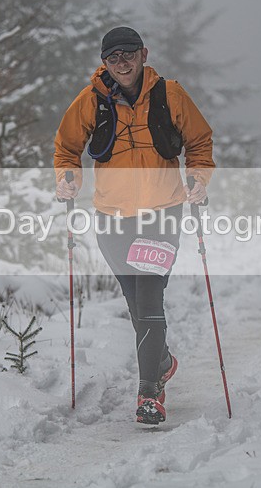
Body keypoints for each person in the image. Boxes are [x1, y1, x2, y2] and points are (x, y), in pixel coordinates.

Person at [53, 27, 215, 424]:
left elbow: (199, 142)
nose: (121, 62)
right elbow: (67, 148)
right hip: (111, 216)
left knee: (149, 296)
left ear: (144, 54)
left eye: (128, 53)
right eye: (113, 57)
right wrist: (68, 178)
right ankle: (162, 361)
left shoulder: (170, 94)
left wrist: (198, 179)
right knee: (135, 300)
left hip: (162, 213)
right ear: (104, 62)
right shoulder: (91, 99)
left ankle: (149, 393)